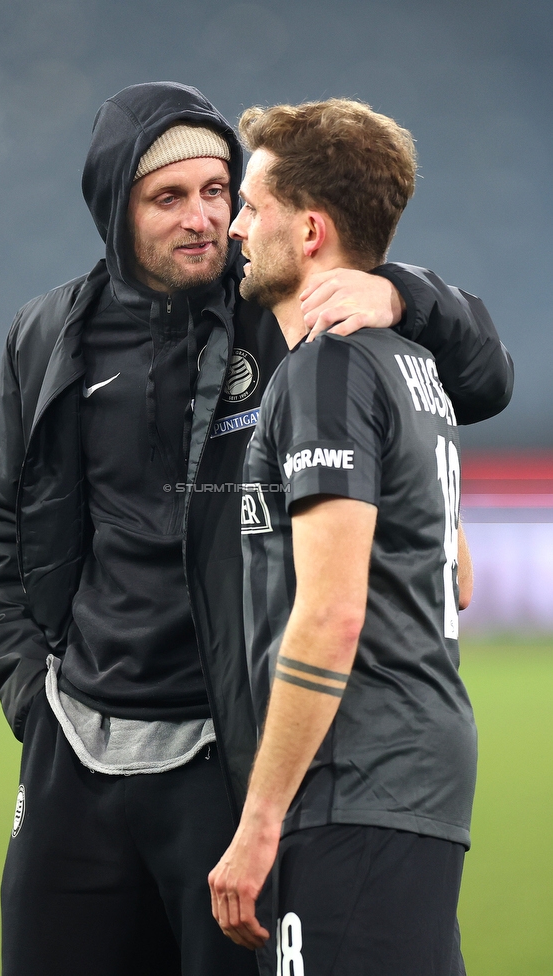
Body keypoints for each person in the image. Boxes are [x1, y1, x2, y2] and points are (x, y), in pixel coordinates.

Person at [0, 82, 512, 976]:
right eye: (169, 198)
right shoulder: (45, 338)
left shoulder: (283, 307)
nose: (205, 219)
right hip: (73, 752)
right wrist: (32, 695)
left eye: (220, 192)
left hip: (228, 757)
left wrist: (398, 294)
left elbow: (487, 376)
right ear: (115, 208)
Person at [209, 98, 485, 976]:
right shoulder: (410, 365)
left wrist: (259, 823)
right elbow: (460, 576)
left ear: (313, 231)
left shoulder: (325, 368)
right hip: (413, 777)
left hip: (354, 782)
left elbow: (330, 617)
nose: (236, 228)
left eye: (253, 207)